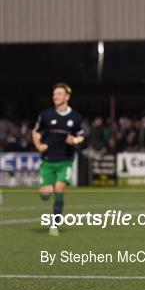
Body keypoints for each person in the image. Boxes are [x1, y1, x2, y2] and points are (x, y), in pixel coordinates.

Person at [32, 83, 84, 236]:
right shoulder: (46, 115)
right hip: (47, 161)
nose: (55, 96)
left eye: (59, 94)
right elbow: (35, 132)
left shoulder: (75, 117)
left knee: (59, 188)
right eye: (54, 94)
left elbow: (81, 136)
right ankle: (46, 193)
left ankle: (54, 224)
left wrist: (74, 141)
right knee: (46, 194)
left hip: (65, 160)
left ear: (67, 96)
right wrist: (38, 145)